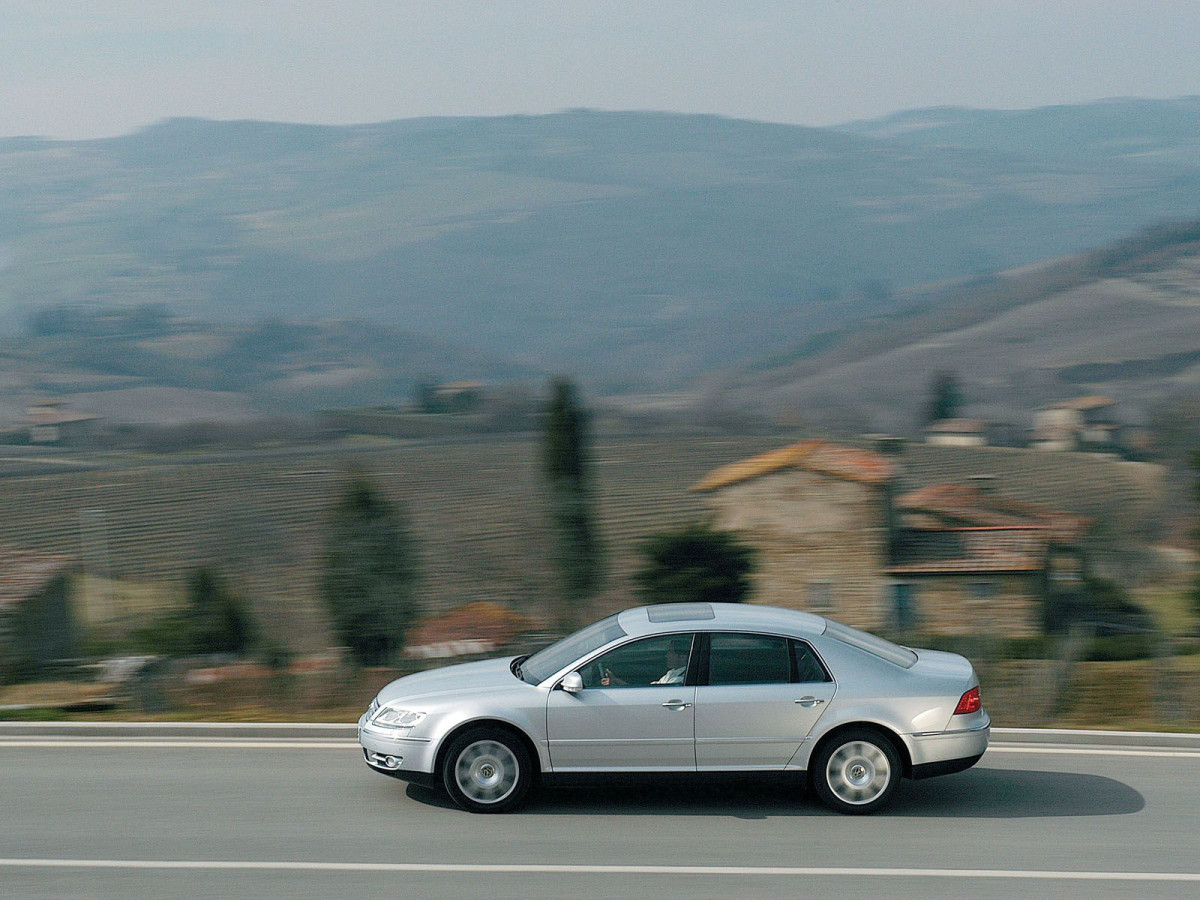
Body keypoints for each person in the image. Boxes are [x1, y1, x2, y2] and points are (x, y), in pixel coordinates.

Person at [602, 637, 690, 686]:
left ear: (682, 657)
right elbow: (649, 688)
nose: (666, 655)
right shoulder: (673, 673)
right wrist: (617, 682)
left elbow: (648, 694)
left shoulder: (678, 680)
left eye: (670, 652)